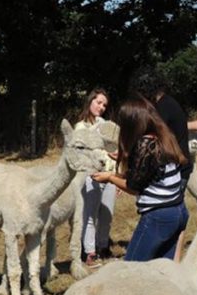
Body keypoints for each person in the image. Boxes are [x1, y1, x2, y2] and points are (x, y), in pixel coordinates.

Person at [92, 96, 189, 262]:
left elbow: (133, 186)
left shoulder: (145, 145)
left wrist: (109, 177)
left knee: (131, 269)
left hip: (159, 216)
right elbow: (147, 175)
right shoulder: (161, 137)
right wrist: (125, 161)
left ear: (131, 123)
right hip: (178, 211)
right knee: (162, 270)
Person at [130, 68, 194, 261]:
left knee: (168, 212)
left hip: (175, 170)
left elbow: (152, 143)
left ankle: (172, 262)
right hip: (178, 167)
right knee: (175, 213)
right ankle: (168, 262)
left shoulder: (162, 109)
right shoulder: (169, 103)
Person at [76, 88, 117, 267]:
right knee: (90, 214)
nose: (101, 107)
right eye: (98, 102)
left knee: (107, 214)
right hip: (91, 175)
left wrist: (116, 175)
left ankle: (103, 247)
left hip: (109, 175)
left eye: (104, 105)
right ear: (90, 101)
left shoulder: (107, 126)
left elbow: (113, 149)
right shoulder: (81, 126)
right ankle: (89, 253)